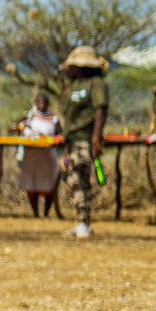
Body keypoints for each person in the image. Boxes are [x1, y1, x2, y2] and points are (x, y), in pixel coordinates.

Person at [58, 46, 110, 239]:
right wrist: (66, 147)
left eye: (71, 66)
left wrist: (96, 138)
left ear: (80, 67)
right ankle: (83, 223)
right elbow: (69, 119)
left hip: (87, 140)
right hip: (73, 141)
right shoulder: (73, 86)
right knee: (76, 181)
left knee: (79, 181)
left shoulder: (96, 84)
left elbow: (100, 110)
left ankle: (82, 224)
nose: (68, 70)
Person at [19, 92, 62, 218]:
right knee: (31, 184)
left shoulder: (54, 119)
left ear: (48, 104)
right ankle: (36, 213)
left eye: (44, 101)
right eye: (39, 101)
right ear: (35, 103)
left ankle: (46, 213)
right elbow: (13, 128)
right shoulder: (29, 117)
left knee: (48, 184)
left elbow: (60, 134)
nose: (41, 104)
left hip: (48, 156)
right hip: (31, 156)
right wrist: (23, 118)